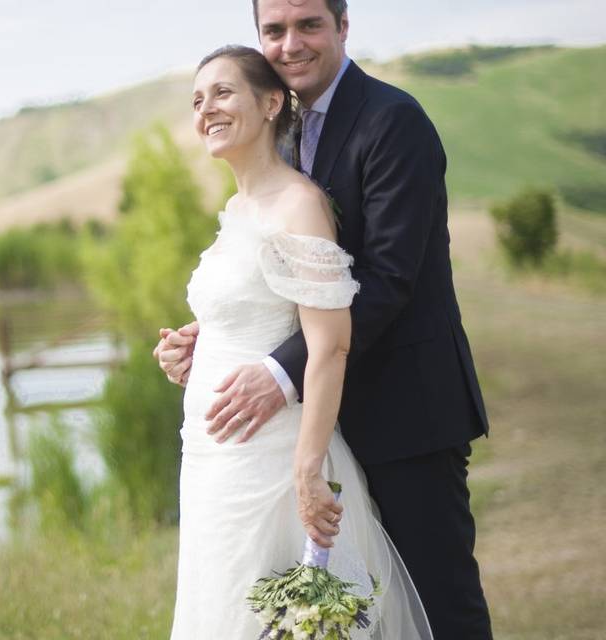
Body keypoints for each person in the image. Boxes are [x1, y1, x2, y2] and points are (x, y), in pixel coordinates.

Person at [157, 1, 493, 638]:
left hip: (403, 411)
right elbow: (290, 282)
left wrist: (277, 371)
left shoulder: (393, 121)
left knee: (437, 605)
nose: (290, 44)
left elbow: (389, 279)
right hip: (302, 427)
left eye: (308, 24)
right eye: (274, 31)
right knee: (321, 614)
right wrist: (218, 341)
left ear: (342, 26)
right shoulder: (278, 139)